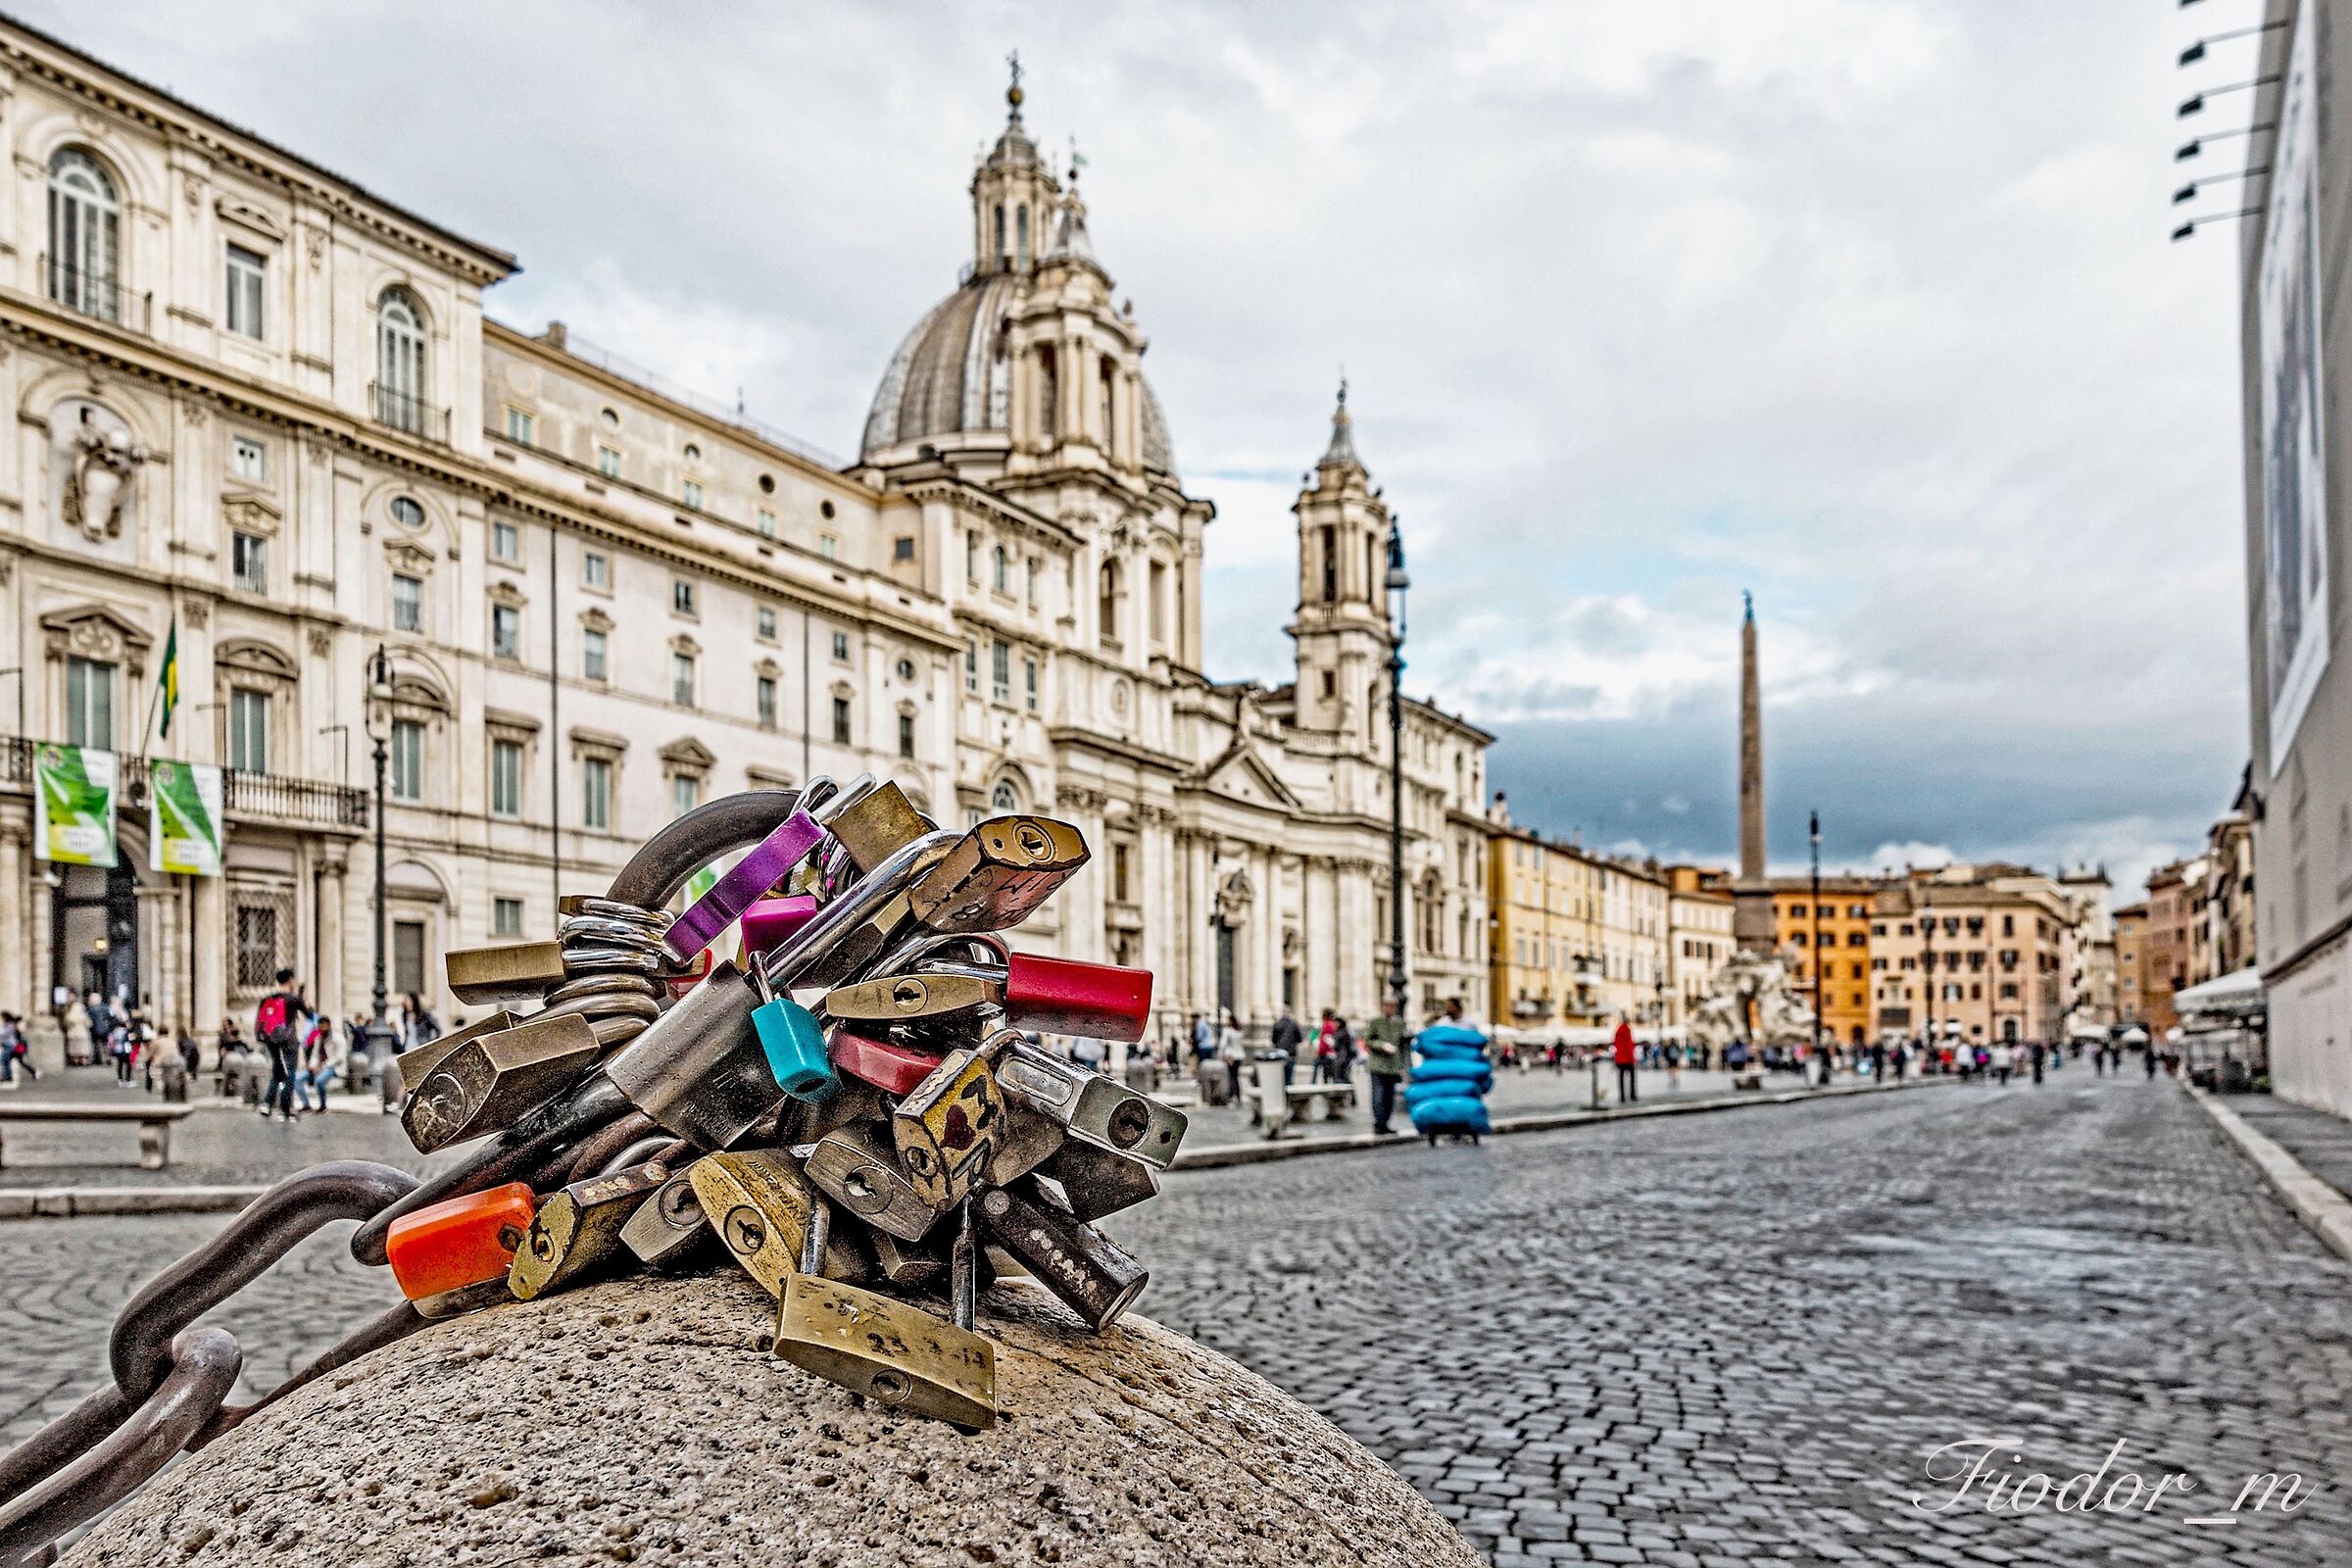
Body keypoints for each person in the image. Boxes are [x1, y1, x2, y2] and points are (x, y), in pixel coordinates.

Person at [256, 967, 305, 1122]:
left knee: (277, 1072)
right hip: (288, 1041)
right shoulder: (293, 999)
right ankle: (286, 1110)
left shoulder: (267, 999)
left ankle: (266, 1104)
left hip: (271, 1040)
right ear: (291, 980)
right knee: (289, 1074)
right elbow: (310, 1015)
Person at [1363, 996, 1409, 1136]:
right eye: (1387, 1005)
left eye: (1392, 1006)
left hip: (1392, 1066)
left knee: (1389, 1097)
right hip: (1377, 1065)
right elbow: (1368, 1040)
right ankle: (1379, 1123)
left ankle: (1385, 1123)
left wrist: (1402, 1065)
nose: (1389, 1008)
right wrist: (1382, 1045)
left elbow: (1402, 1046)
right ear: (1383, 1006)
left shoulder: (1399, 1023)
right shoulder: (1375, 1022)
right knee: (1378, 1096)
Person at [1270, 1005, 1302, 1087]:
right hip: (1291, 1053)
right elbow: (1299, 1039)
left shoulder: (1277, 1024)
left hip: (1279, 1054)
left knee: (1280, 1077)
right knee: (1289, 1076)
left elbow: (1273, 1040)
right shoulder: (1294, 1024)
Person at [1218, 1010, 1245, 1102]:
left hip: (1230, 1056)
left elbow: (1223, 1044)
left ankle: (1231, 1094)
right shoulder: (1239, 1031)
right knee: (1236, 1075)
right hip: (1239, 1056)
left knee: (1230, 1076)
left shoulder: (1227, 1031)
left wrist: (1220, 1054)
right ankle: (1238, 1094)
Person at [0, 1012, 32, 1085]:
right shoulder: (8, 1025)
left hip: (10, 1046)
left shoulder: (10, 1025)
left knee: (4, 1060)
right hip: (8, 1045)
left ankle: (8, 1076)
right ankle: (7, 1076)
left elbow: (4, 1033)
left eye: (2, 1017)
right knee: (6, 1061)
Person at [1611, 1015, 1639, 1104]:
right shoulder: (1626, 1030)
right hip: (1627, 1058)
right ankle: (1632, 1095)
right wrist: (1632, 1059)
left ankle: (1622, 1096)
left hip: (1619, 1058)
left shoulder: (1618, 1030)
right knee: (1632, 1077)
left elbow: (1615, 1043)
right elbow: (1629, 1045)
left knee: (1621, 1078)